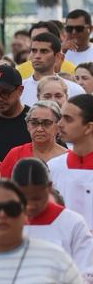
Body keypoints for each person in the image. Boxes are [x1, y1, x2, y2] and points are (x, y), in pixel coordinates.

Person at [50, 94, 93, 230]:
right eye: (61, 117)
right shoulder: (53, 167)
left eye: (68, 119)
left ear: (88, 127)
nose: (59, 124)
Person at [0, 99, 65, 178]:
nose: (39, 129)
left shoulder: (68, 157)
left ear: (58, 126)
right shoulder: (15, 154)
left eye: (46, 123)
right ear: (27, 125)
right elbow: (1, 184)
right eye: (34, 123)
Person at [22, 32, 83, 106]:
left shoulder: (75, 90)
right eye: (34, 51)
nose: (37, 56)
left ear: (57, 56)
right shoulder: (19, 89)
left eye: (44, 51)